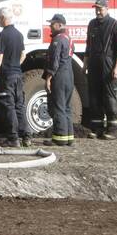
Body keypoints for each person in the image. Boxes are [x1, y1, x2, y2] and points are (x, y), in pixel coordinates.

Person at [0, 7, 29, 148]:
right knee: (19, 105)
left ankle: (13, 138)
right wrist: (15, 64)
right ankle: (26, 136)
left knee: (8, 106)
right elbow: (23, 54)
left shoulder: (2, 35)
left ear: (3, 18)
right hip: (18, 75)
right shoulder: (19, 34)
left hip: (6, 76)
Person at [85, 0, 117, 139]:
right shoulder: (92, 24)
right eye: (96, 8)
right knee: (94, 96)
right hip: (94, 64)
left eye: (100, 9)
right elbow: (88, 46)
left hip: (109, 64)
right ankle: (97, 129)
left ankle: (113, 130)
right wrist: (85, 63)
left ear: (107, 9)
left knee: (110, 96)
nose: (97, 11)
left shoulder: (114, 24)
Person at [43, 14, 75, 147]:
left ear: (60, 25)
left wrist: (48, 78)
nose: (50, 27)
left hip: (60, 76)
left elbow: (54, 61)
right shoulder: (68, 38)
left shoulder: (58, 40)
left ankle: (60, 138)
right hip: (69, 75)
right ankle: (69, 138)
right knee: (66, 107)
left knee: (58, 107)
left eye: (52, 24)